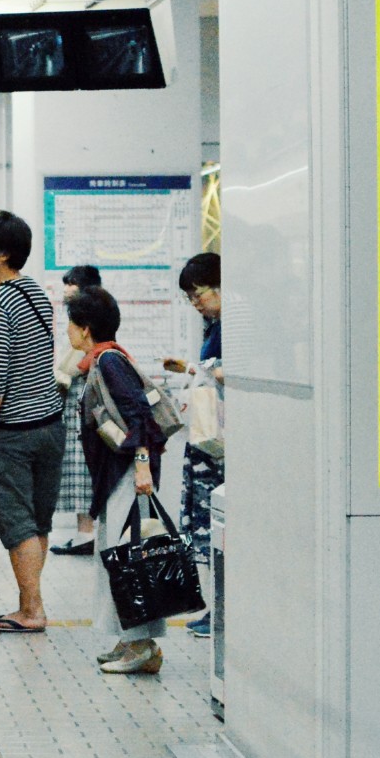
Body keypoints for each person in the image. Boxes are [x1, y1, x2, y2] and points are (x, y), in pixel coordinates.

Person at [0, 210, 66, 635]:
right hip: (49, 426)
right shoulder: (36, 294)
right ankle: (32, 603)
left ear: (1, 255)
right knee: (38, 523)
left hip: (12, 433)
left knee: (17, 525)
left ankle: (31, 609)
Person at [66, 286, 172, 674]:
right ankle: (130, 641)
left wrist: (142, 465)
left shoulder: (109, 362)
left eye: (71, 325)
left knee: (131, 559)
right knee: (117, 557)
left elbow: (139, 415)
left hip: (130, 473)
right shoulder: (103, 360)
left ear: (85, 328)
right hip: (117, 474)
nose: (68, 333)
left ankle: (142, 646)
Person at [168, 252, 224, 638]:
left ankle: (222, 612)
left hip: (220, 443)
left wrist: (194, 369)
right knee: (202, 525)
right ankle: (214, 608)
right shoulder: (214, 324)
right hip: (207, 440)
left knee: (217, 527)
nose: (195, 302)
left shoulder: (235, 325)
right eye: (189, 296)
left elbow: (228, 371)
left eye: (198, 293)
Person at [51, 265, 102, 557]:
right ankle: (84, 532)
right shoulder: (86, 317)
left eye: (72, 284)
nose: (67, 289)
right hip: (77, 403)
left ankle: (87, 533)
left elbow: (75, 364)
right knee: (78, 467)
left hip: (83, 403)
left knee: (82, 468)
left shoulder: (92, 322)